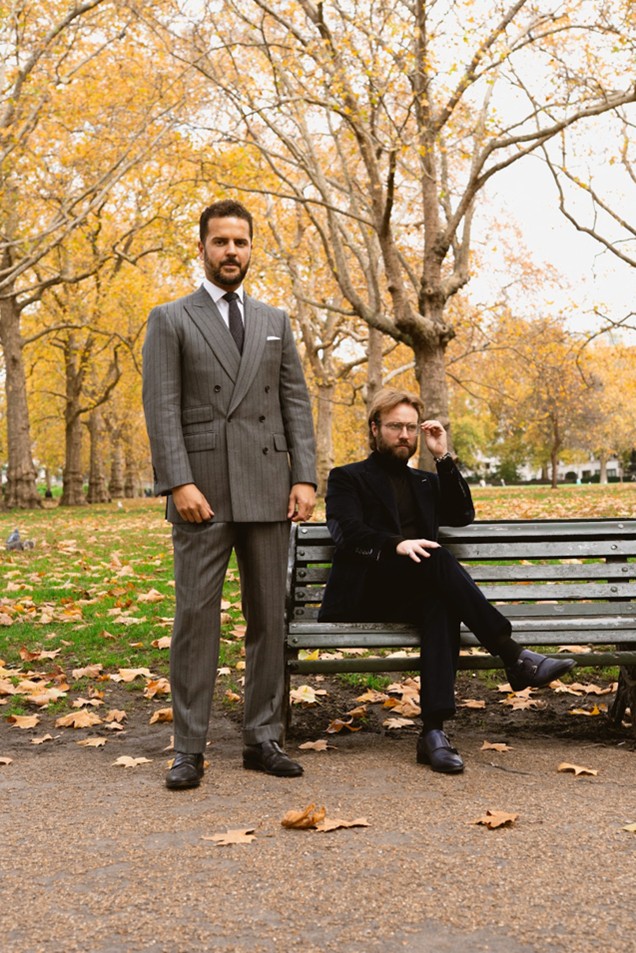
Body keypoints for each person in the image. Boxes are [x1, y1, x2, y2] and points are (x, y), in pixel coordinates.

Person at [142, 199, 316, 790]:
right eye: (220, 242)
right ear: (202, 248)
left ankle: (262, 736)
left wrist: (305, 476)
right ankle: (188, 746)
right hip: (203, 492)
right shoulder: (171, 318)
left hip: (269, 489)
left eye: (240, 242)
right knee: (196, 618)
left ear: (250, 248)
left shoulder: (275, 320)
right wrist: (179, 481)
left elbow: (296, 403)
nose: (231, 252)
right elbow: (161, 407)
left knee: (268, 616)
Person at [318, 388, 575, 774]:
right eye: (394, 427)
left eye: (410, 428)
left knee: (440, 602)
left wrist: (443, 456)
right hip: (367, 590)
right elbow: (346, 532)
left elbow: (462, 513)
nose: (404, 435)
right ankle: (512, 655)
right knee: (437, 559)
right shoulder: (347, 477)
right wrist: (396, 545)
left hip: (417, 589)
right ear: (375, 429)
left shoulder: (424, 481)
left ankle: (433, 733)